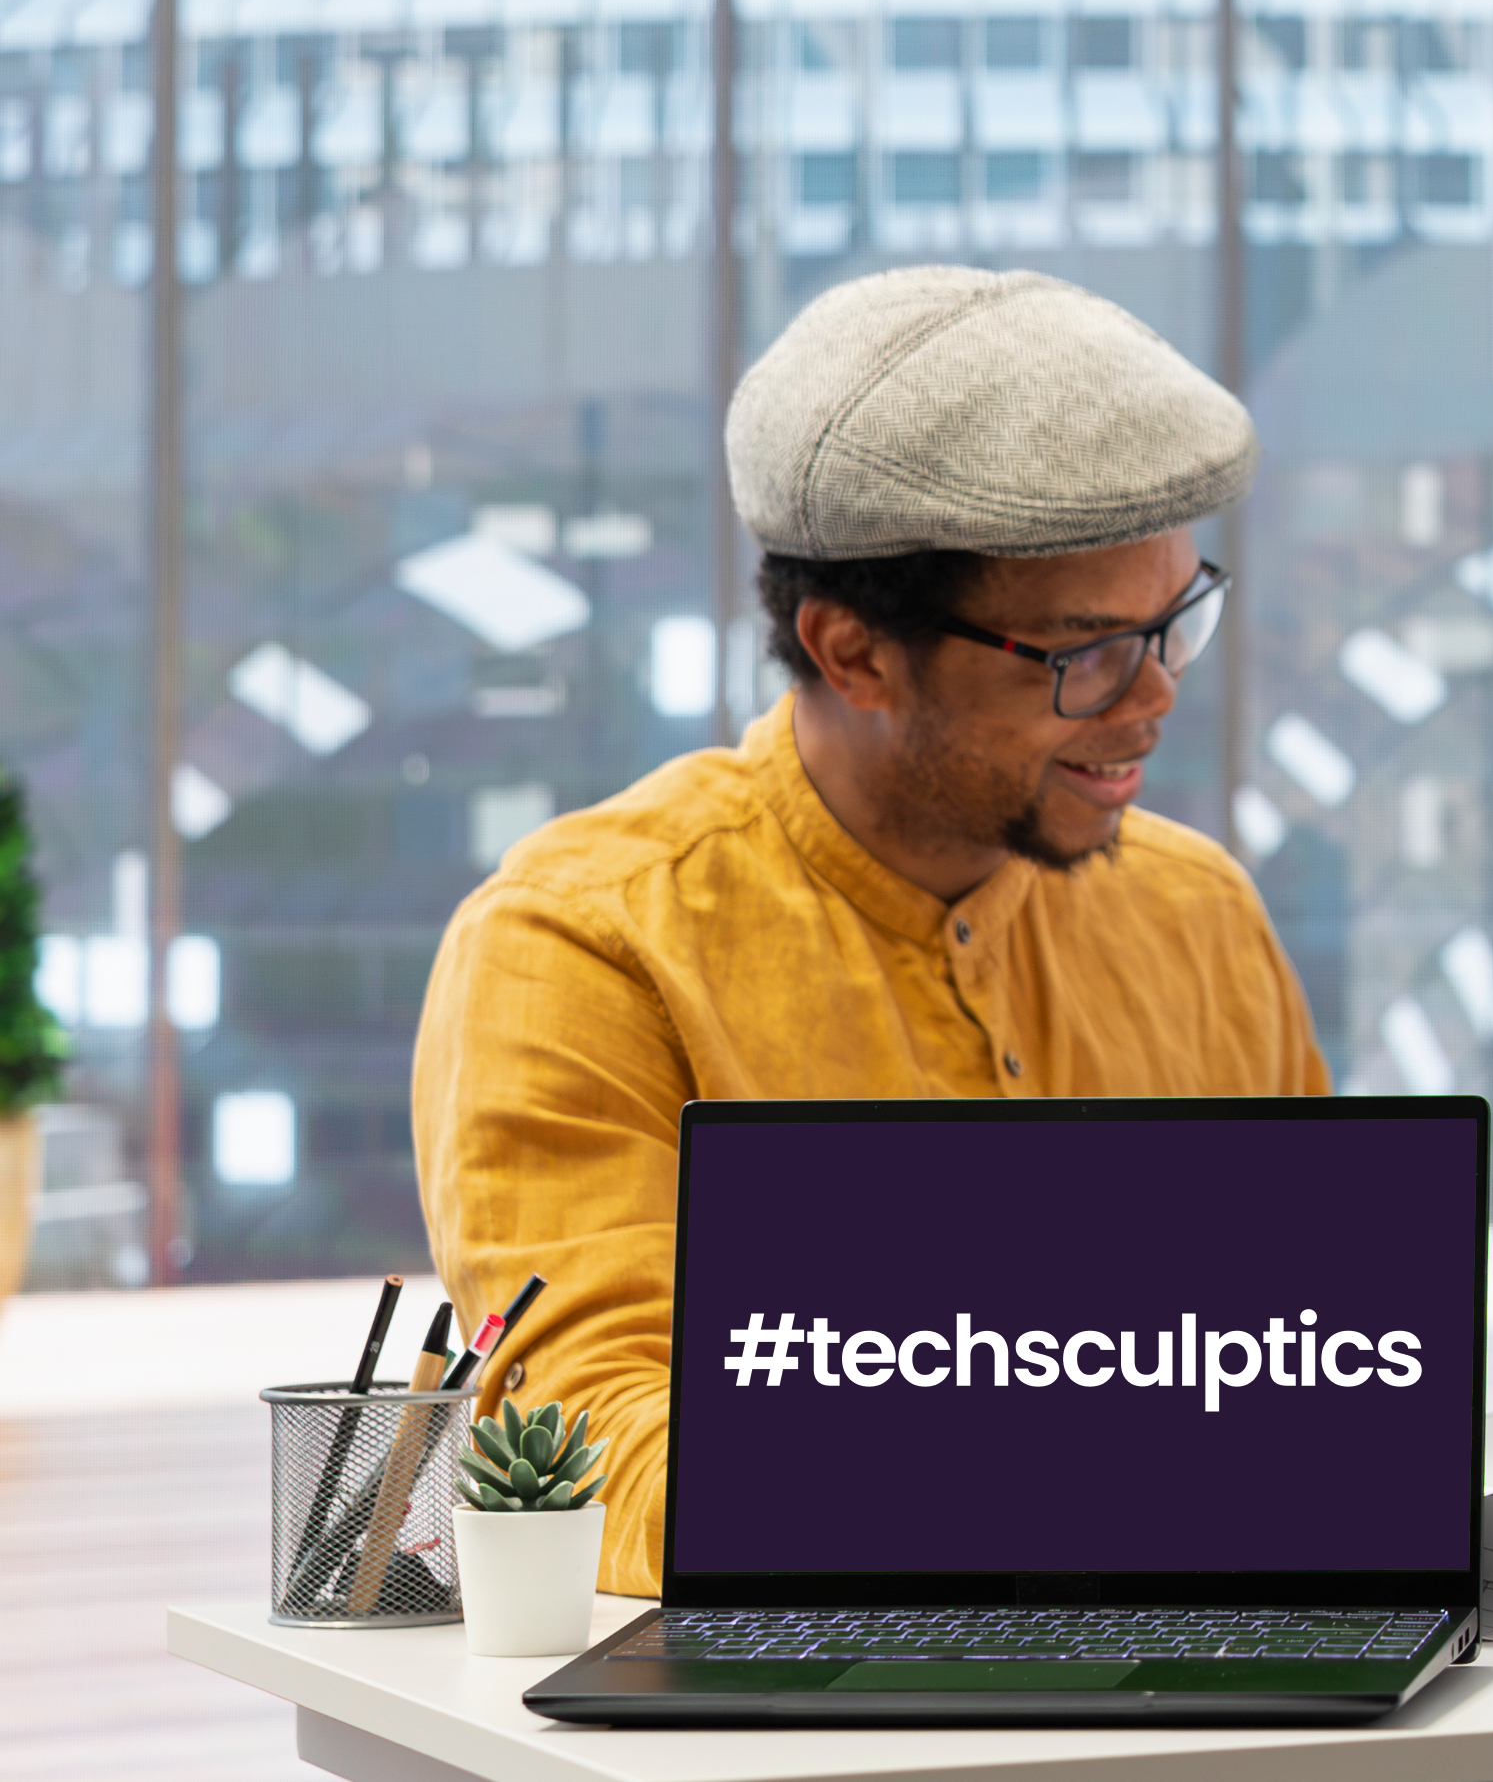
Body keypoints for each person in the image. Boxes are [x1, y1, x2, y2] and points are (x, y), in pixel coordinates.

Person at [411, 266, 1327, 1595]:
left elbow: (1317, 1370)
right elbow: (591, 1451)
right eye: (1086, 654)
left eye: (1176, 621)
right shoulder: (584, 943)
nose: (1157, 695)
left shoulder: (1198, 910)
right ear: (853, 653)